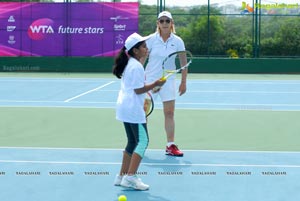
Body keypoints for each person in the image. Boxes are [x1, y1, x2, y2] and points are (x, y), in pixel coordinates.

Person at [112, 32, 166, 190]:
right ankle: (130, 177)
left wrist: (153, 87)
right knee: (143, 141)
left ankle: (121, 176)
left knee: (132, 141)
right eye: (143, 46)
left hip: (124, 107)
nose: (146, 48)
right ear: (135, 51)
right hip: (133, 109)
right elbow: (137, 90)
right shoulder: (136, 67)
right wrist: (156, 83)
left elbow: (136, 89)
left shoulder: (132, 64)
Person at [145, 11, 187, 157]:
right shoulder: (150, 40)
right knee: (143, 113)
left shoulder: (178, 41)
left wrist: (183, 82)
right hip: (150, 81)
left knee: (169, 113)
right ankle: (139, 143)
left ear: (171, 23)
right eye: (161, 21)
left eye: (167, 21)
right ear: (157, 23)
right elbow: (141, 58)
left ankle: (170, 145)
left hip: (168, 82)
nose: (164, 23)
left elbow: (183, 63)